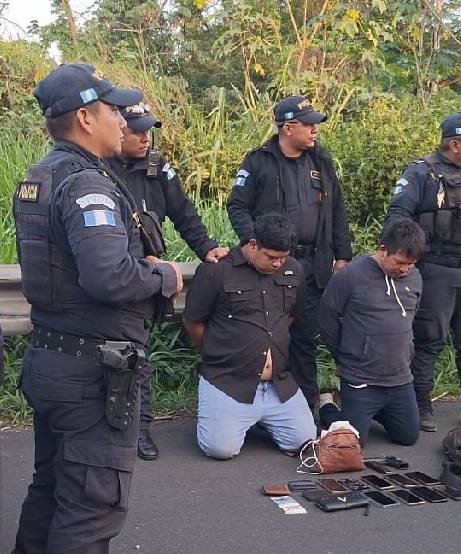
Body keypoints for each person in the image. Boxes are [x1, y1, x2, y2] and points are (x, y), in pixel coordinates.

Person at [8, 64, 182, 554]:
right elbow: (110, 278)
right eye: (115, 110)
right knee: (92, 502)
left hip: (54, 359)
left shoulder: (42, 175)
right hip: (92, 370)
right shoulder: (86, 186)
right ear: (86, 117)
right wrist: (167, 274)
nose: (125, 119)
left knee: (53, 486)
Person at [109, 101, 229, 461]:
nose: (146, 138)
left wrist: (206, 248)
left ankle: (141, 430)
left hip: (146, 275)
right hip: (111, 273)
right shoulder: (97, 166)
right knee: (109, 360)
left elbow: (183, 212)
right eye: (138, 131)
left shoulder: (156, 166)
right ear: (117, 129)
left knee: (138, 356)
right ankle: (114, 432)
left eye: (149, 130)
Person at [385, 112, 461, 432]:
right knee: (428, 340)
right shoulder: (421, 174)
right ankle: (421, 403)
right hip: (437, 270)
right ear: (454, 144)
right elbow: (399, 218)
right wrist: (406, 259)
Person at [226, 96, 353, 411]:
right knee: (268, 339)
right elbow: (237, 206)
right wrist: (254, 244)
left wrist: (343, 255)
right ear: (287, 127)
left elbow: (337, 209)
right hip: (273, 265)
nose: (314, 131)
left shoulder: (320, 161)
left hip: (313, 265)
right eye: (308, 124)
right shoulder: (259, 161)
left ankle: (306, 409)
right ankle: (261, 409)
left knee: (305, 340)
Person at [182, 214, 316, 459]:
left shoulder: (293, 271)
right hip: (228, 379)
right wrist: (216, 351)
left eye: (283, 257)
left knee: (304, 443)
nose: (278, 264)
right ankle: (226, 411)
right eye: (272, 257)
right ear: (253, 245)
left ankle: (261, 419)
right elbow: (194, 322)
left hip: (278, 383)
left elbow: (290, 316)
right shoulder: (217, 271)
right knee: (220, 449)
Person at [317, 217, 424, 446]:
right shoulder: (351, 275)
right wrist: (344, 354)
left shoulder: (415, 277)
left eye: (411, 264)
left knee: (408, 437)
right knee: (355, 443)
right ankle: (328, 407)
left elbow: (411, 318)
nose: (405, 270)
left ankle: (372, 413)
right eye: (400, 262)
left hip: (399, 379)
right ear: (383, 250)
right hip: (360, 379)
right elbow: (326, 318)